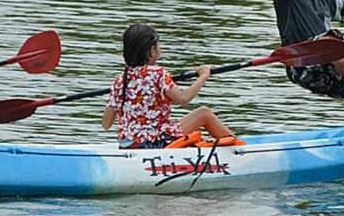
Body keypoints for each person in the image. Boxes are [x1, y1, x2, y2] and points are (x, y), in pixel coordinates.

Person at [102, 23, 241, 149]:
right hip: (156, 142)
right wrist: (203, 76)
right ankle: (241, 151)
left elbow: (106, 124)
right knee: (204, 113)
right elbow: (183, 99)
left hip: (128, 144)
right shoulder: (159, 74)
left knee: (174, 124)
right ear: (151, 50)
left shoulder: (120, 80)